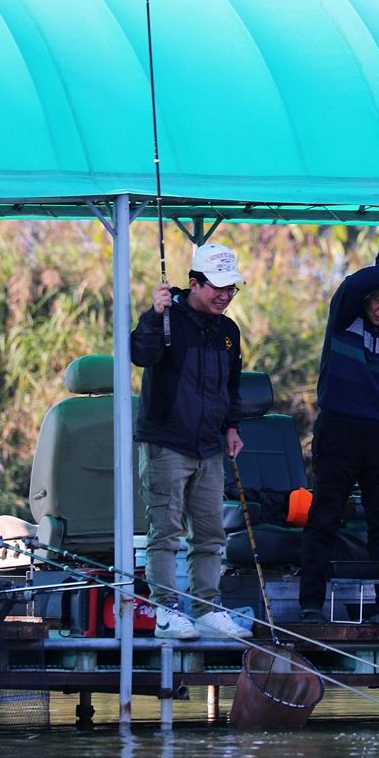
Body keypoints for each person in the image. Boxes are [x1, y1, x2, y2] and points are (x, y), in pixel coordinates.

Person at [298, 240, 379, 621]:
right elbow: (352, 285)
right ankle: (311, 604)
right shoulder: (346, 314)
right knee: (324, 517)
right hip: (337, 429)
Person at [131, 242, 246, 640]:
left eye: (231, 288)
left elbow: (232, 386)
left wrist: (232, 427)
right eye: (218, 287)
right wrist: (153, 314)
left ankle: (208, 611)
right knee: (165, 533)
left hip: (209, 447)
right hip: (166, 443)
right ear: (194, 284)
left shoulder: (228, 331)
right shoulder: (165, 319)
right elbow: (140, 354)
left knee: (211, 535)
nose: (225, 295)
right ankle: (165, 612)